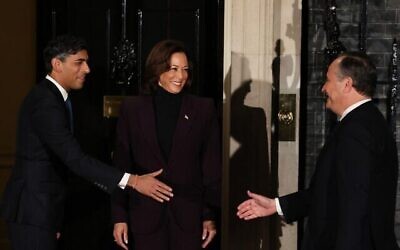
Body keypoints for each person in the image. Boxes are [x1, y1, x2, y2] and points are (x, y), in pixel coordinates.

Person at [0, 35, 173, 250]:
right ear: (57, 64)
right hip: (33, 210)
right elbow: (74, 158)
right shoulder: (45, 101)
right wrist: (135, 181)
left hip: (44, 211)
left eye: (87, 62)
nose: (87, 69)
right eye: (79, 63)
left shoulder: (56, 98)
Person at [237, 52, 400, 250]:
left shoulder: (356, 131)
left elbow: (354, 208)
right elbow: (327, 192)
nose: (323, 88)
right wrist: (276, 206)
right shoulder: (368, 122)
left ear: (347, 84)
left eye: (328, 80)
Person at [111, 39, 221, 250]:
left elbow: (211, 168)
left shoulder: (203, 109)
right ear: (157, 69)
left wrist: (209, 215)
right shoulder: (132, 109)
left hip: (188, 218)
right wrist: (119, 216)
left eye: (185, 69)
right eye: (173, 69)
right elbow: (121, 165)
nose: (180, 76)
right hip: (143, 216)